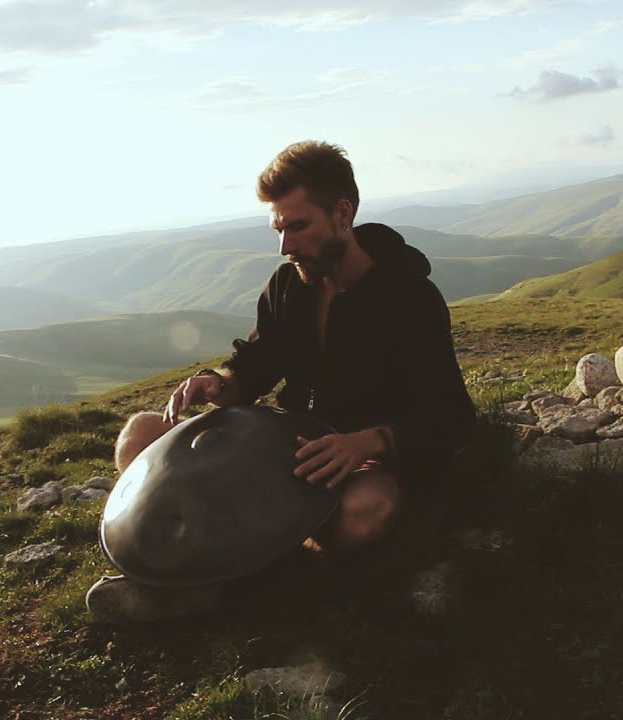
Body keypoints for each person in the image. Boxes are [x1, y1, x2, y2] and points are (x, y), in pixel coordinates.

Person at [86, 140, 476, 623]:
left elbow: (449, 412)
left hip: (356, 457)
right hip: (282, 441)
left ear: (342, 213)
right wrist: (219, 383)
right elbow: (256, 362)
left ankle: (204, 584)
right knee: (141, 434)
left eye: (298, 226)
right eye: (278, 229)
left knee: (368, 509)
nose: (285, 245)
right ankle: (213, 572)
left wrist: (367, 441)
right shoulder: (289, 285)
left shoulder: (408, 296)